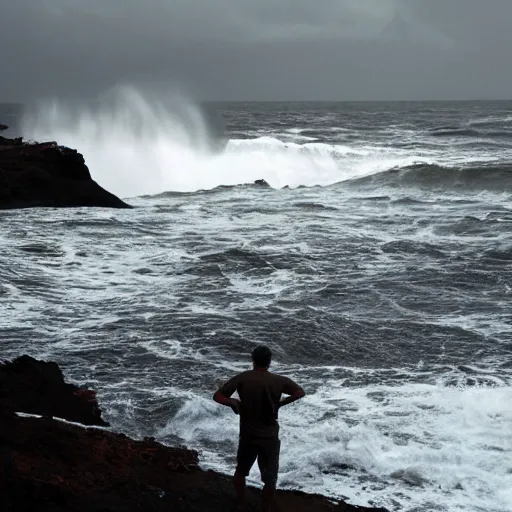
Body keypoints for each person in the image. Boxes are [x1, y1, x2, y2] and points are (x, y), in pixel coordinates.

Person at [213, 345, 305, 512]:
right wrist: (280, 404)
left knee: (241, 472)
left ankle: (241, 505)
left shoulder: (243, 378)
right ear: (269, 362)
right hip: (269, 437)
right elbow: (299, 392)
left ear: (253, 359)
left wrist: (232, 402)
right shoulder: (278, 381)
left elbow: (218, 395)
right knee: (270, 480)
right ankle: (265, 509)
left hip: (248, 435)